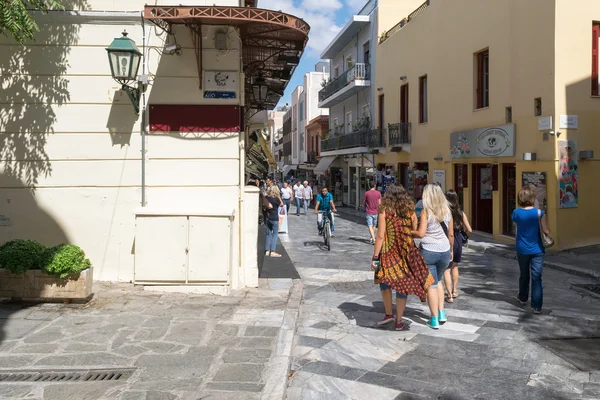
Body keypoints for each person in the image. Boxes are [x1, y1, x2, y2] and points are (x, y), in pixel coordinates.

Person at [371, 185, 434, 331]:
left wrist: (375, 256)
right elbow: (414, 228)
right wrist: (404, 233)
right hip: (406, 250)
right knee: (403, 284)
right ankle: (399, 321)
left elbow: (380, 235)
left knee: (384, 280)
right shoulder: (410, 210)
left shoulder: (384, 210)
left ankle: (388, 314)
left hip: (388, 250)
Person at [413, 184, 454, 329]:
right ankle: (442, 313)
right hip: (444, 250)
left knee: (431, 284)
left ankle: (434, 318)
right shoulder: (447, 211)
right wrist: (451, 251)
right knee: (439, 281)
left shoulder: (426, 212)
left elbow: (421, 234)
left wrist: (409, 232)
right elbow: (450, 234)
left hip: (429, 251)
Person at [512, 185, 550, 314]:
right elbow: (546, 230)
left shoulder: (516, 212)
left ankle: (523, 297)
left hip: (522, 248)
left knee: (524, 274)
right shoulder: (540, 213)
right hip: (537, 249)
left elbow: (516, 225)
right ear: (532, 198)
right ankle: (537, 306)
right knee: (537, 277)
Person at [443, 189, 472, 303]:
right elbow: (469, 229)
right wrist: (462, 233)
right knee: (455, 266)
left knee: (447, 268)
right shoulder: (461, 213)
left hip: (447, 239)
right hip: (458, 240)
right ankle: (455, 290)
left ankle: (449, 295)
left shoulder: (444, 212)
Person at [264, 186, 284, 258]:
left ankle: (267, 250)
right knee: (275, 235)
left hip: (268, 218)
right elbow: (282, 204)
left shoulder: (267, 198)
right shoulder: (276, 199)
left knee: (268, 234)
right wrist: (278, 196)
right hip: (275, 218)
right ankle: (272, 251)